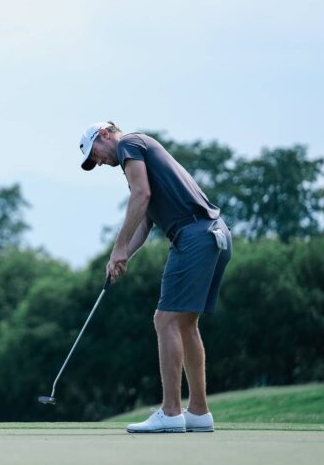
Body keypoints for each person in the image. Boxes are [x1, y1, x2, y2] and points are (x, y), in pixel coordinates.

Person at [78, 121, 232, 433]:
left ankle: (171, 412)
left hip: (193, 235)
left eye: (95, 154)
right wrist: (121, 256)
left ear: (104, 134)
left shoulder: (129, 144)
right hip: (215, 234)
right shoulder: (139, 156)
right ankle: (199, 413)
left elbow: (142, 195)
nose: (99, 162)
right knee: (186, 323)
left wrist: (118, 245)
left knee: (165, 320)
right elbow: (146, 221)